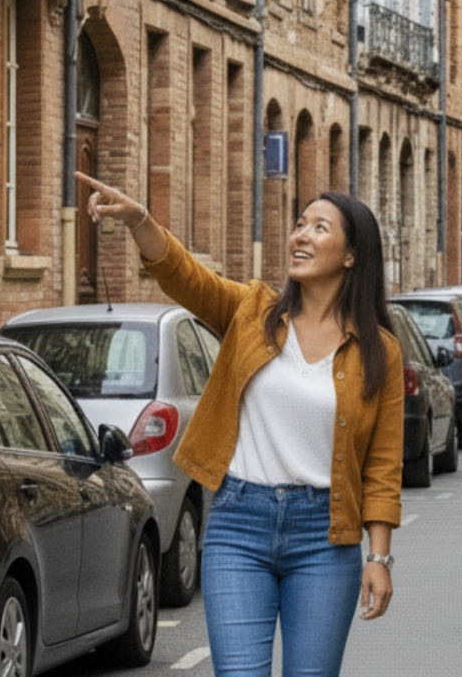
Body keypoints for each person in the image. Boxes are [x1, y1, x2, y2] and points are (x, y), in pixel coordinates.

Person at [76, 172, 402, 677]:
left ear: (351, 255)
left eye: (319, 227)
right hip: (238, 525)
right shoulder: (253, 312)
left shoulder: (380, 352)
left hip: (325, 536)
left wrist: (379, 560)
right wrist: (140, 219)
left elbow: (383, 467)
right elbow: (183, 275)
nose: (300, 235)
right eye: (299, 225)